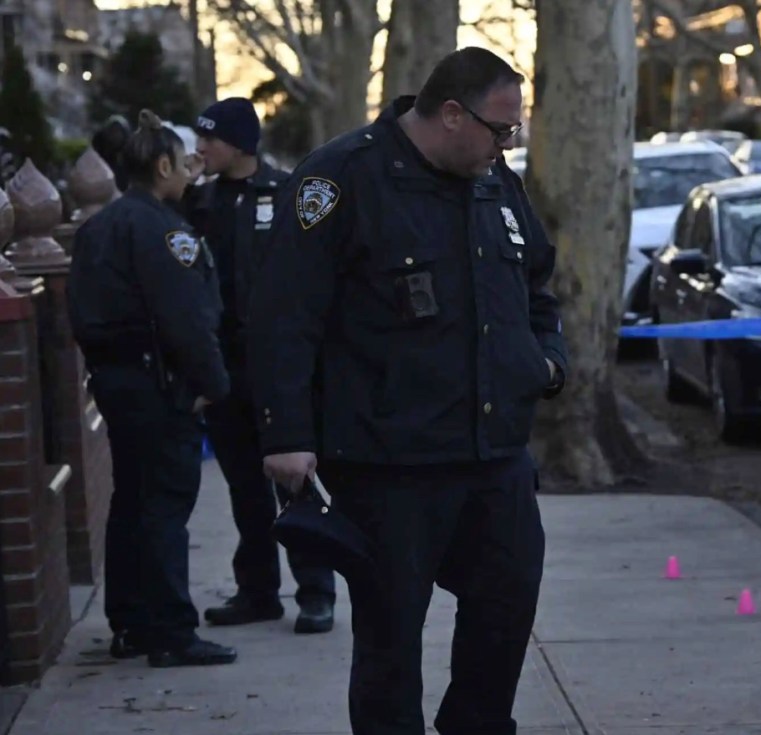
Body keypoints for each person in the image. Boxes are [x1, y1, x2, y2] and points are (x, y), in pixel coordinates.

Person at [247, 47, 568, 733]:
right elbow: (285, 315)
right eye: (500, 129)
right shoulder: (342, 178)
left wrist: (547, 363)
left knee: (504, 615)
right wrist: (287, 434)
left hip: (494, 455)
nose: (508, 143)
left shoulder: (492, 181)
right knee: (391, 643)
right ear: (452, 114)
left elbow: (539, 285)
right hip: (390, 465)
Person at [66, 109, 237, 668]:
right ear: (161, 165)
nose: (190, 172)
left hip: (116, 383)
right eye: (181, 163)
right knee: (164, 506)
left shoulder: (98, 227)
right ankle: (170, 632)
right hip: (160, 384)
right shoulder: (165, 232)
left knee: (132, 501)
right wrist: (213, 382)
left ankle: (132, 621)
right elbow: (188, 316)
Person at [187, 97, 337, 634]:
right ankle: (257, 591)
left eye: (210, 138)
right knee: (243, 490)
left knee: (296, 484)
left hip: (277, 367)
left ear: (240, 144)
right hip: (223, 369)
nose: (200, 147)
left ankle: (316, 591)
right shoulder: (196, 203)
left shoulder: (287, 191)